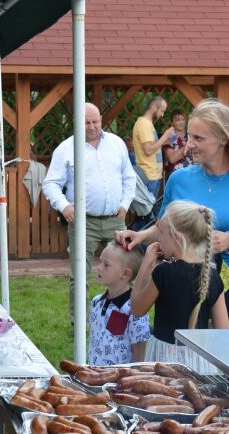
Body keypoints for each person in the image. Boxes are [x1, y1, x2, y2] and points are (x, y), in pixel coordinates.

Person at [117, 98, 229, 334]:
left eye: (198, 138)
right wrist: (140, 236)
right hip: (186, 286)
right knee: (187, 366)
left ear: (223, 138)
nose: (189, 144)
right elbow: (165, 228)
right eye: (189, 136)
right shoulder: (179, 179)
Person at [43, 102, 136, 323]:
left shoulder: (116, 144)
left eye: (95, 121)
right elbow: (50, 184)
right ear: (77, 122)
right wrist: (64, 205)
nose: (92, 127)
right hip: (83, 221)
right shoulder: (66, 149)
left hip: (115, 219)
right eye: (86, 122)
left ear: (101, 120)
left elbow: (129, 177)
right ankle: (80, 325)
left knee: (127, 270)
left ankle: (127, 318)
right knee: (79, 275)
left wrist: (124, 205)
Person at [130, 201, 229, 371]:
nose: (160, 240)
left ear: (177, 238)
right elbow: (223, 331)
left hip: (164, 362)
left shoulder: (164, 273)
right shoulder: (214, 278)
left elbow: (137, 308)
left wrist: (146, 263)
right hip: (200, 363)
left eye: (162, 234)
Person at [88, 241, 151, 365]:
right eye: (100, 261)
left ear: (125, 273)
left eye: (106, 265)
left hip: (119, 382)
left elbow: (139, 353)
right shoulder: (96, 302)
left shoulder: (135, 310)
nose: (99, 267)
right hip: (93, 376)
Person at [132, 96, 173, 197]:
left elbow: (151, 147)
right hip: (149, 175)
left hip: (152, 175)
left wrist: (161, 142)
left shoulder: (147, 124)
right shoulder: (144, 124)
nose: (162, 115)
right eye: (162, 111)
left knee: (150, 210)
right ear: (154, 107)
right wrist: (164, 137)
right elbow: (148, 150)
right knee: (148, 211)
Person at [163, 108, 193, 175]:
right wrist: (187, 146)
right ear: (172, 123)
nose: (181, 122)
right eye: (177, 120)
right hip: (176, 175)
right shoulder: (168, 139)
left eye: (183, 119)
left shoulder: (191, 137)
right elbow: (172, 159)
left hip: (192, 174)